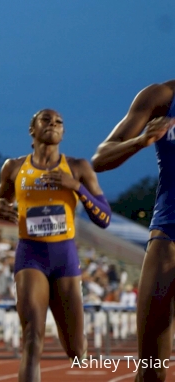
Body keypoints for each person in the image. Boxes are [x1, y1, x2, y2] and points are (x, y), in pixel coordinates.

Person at [0, 109, 111, 382]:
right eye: (46, 120)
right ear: (32, 130)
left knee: (77, 352)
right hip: (30, 255)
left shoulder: (78, 167)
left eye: (59, 122)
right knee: (32, 336)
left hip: (64, 256)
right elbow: (0, 202)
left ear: (63, 133)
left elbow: (105, 218)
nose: (53, 124)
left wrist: (76, 188)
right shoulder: (13, 167)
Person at [91, 80, 175, 382]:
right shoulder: (161, 97)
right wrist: (141, 140)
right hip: (169, 236)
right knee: (151, 369)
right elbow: (101, 158)